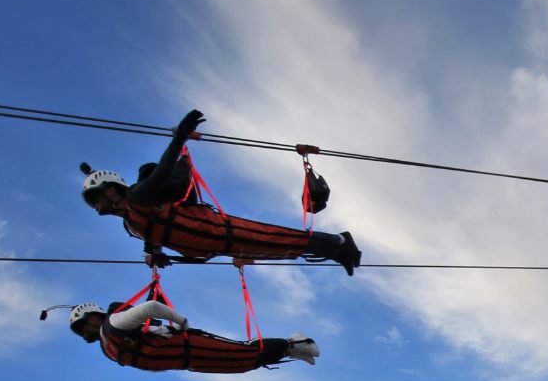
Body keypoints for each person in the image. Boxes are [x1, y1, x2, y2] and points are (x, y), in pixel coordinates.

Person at [80, 110, 362, 275]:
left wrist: (180, 137)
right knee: (280, 250)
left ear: (113, 190)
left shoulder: (139, 197)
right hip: (215, 247)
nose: (97, 208)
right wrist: (156, 252)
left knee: (280, 238)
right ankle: (337, 251)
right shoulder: (132, 224)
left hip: (218, 231)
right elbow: (154, 233)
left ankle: (340, 243)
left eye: (97, 199)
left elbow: (164, 170)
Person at [68, 301, 320, 373]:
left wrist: (181, 322)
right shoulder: (108, 346)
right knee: (240, 365)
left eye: (82, 327)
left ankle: (296, 341)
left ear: (92, 317)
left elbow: (150, 308)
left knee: (243, 351)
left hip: (190, 345)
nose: (83, 334)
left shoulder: (114, 324)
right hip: (186, 361)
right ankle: (292, 351)